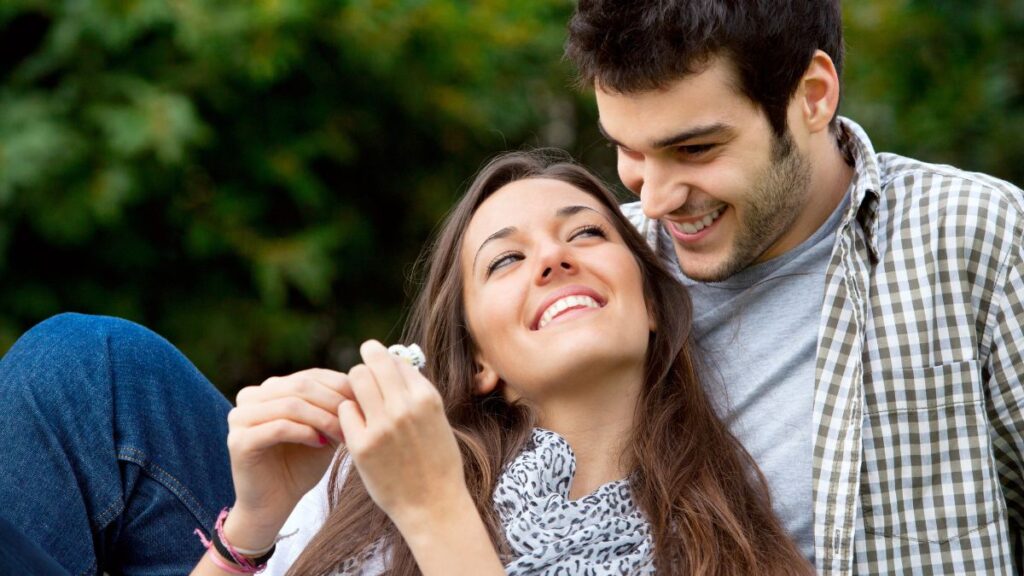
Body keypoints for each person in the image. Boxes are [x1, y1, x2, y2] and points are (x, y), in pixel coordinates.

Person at [0, 151, 812, 575]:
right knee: (82, 364)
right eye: (505, 260)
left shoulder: (727, 544)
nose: (554, 259)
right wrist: (252, 527)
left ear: (652, 303)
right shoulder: (386, 474)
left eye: (588, 233)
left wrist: (433, 510)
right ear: (483, 364)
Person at [563, 1, 1023, 574]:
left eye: (695, 149)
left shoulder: (977, 236)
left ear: (813, 95)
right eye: (629, 150)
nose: (654, 199)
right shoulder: (596, 272)